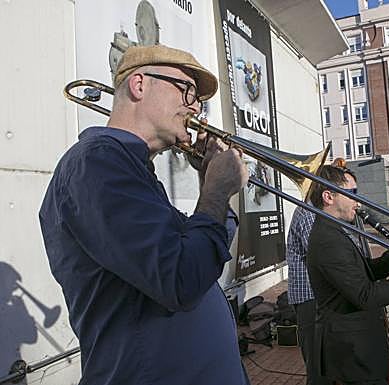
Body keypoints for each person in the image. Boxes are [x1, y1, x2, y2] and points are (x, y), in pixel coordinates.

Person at [39, 45, 249, 385]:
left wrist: (208, 179)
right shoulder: (97, 162)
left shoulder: (133, 170)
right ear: (139, 84)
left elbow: (203, 258)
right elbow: (181, 279)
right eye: (187, 91)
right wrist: (216, 190)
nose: (196, 107)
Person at [306, 165, 389, 385]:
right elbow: (365, 295)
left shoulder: (333, 231)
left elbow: (363, 273)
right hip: (353, 353)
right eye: (352, 194)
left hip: (358, 347)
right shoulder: (327, 239)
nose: (358, 202)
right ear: (328, 197)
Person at [286, 158, 348, 385]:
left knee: (327, 363)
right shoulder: (308, 213)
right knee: (317, 367)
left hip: (320, 296)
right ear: (327, 193)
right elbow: (325, 256)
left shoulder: (319, 213)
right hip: (310, 298)